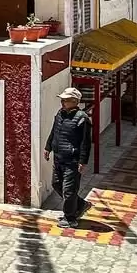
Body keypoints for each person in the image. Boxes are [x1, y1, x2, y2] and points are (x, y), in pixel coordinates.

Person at [44, 87, 93, 228]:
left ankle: (70, 218)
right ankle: (80, 204)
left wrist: (82, 161)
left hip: (72, 160)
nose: (62, 102)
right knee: (56, 184)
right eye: (62, 100)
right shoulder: (60, 114)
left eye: (65, 100)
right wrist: (48, 147)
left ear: (74, 101)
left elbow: (86, 143)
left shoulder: (82, 119)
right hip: (59, 158)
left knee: (69, 190)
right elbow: (54, 131)